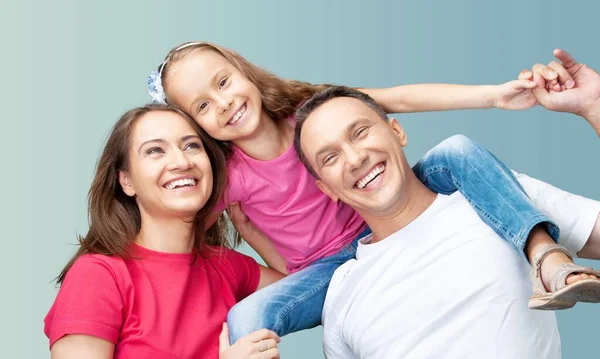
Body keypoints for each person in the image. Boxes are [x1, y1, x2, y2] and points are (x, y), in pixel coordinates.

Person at [147, 41, 589, 342]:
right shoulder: (230, 178)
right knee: (244, 317)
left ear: (243, 71)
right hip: (329, 271)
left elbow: (400, 98)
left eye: (223, 82)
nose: (223, 103)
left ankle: (546, 259)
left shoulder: (310, 110)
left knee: (455, 150)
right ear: (195, 125)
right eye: (202, 105)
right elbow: (175, 232)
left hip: (388, 210)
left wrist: (493, 95)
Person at [293, 50, 600, 357]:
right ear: (325, 188)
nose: (355, 158)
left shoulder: (501, 197)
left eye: (360, 132)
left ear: (397, 131)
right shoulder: (340, 296)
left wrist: (595, 105)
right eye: (330, 157)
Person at [44, 104, 283, 359]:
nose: (181, 161)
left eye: (192, 145)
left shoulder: (226, 265)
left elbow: (309, 291)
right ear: (127, 181)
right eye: (155, 151)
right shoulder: (98, 275)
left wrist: (252, 233)